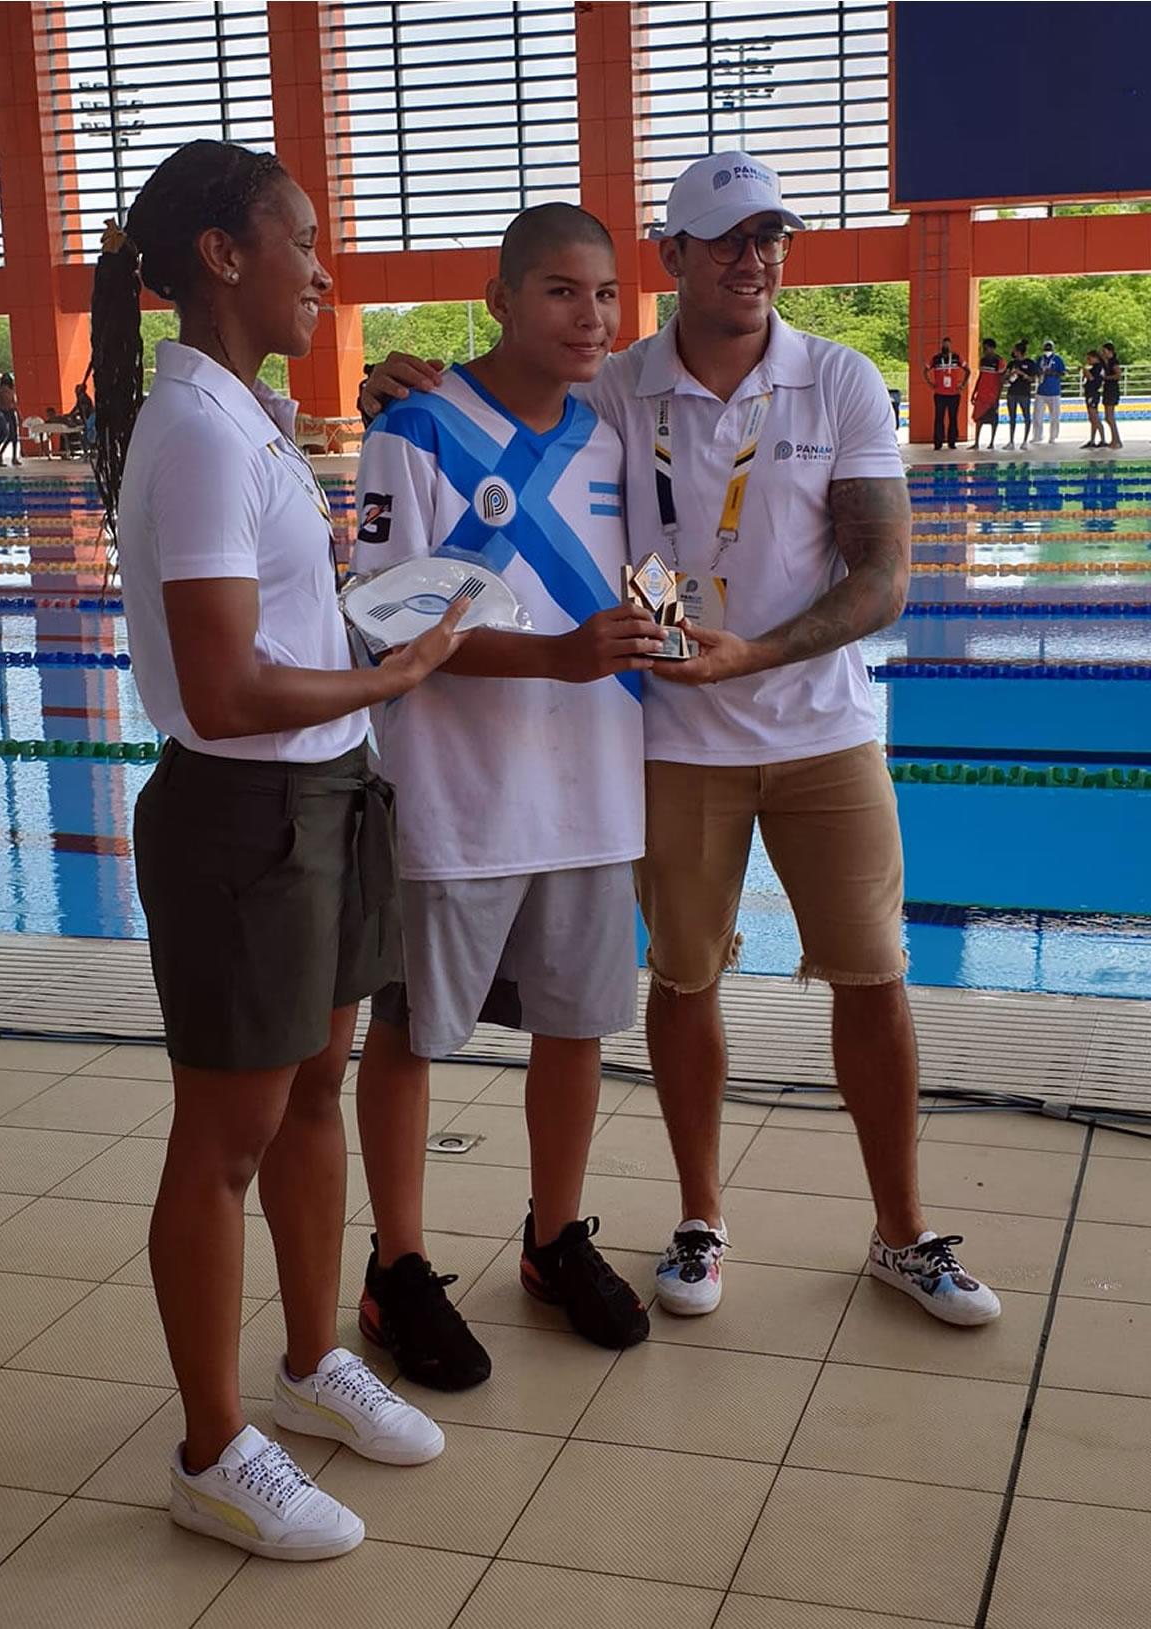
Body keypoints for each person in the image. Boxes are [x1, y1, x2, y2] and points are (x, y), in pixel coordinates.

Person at [362, 151, 1002, 1333]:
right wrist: (408, 394)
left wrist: (753, 657)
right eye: (729, 240)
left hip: (822, 730)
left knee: (873, 976)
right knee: (684, 978)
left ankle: (902, 1234)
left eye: (773, 237)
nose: (756, 260)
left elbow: (885, 578)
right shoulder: (618, 386)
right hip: (669, 742)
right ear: (678, 259)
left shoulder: (841, 380)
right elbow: (509, 422)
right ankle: (700, 1219)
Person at [89, 138, 465, 1561]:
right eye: (302, 239)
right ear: (223, 258)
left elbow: (287, 625)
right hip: (247, 819)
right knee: (224, 1139)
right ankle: (209, 1449)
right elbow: (230, 686)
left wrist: (373, 629)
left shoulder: (240, 415)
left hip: (324, 800)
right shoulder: (191, 435)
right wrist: (392, 675)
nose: (327, 264)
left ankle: (313, 1361)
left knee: (320, 1087)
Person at [352, 203, 657, 1391]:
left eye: (605, 296)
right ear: (502, 300)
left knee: (575, 1027)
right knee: (413, 1033)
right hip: (456, 792)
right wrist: (556, 656)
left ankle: (551, 1240)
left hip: (592, 790)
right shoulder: (417, 433)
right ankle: (400, 1268)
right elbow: (383, 615)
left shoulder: (612, 438)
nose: (591, 319)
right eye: (561, 293)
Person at [923, 337, 968, 450]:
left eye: (947, 345)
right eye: (944, 345)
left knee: (953, 418)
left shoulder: (957, 358)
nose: (946, 347)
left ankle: (952, 442)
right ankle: (938, 442)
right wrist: (930, 383)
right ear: (941, 346)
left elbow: (968, 370)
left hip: (954, 393)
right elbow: (925, 370)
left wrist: (963, 384)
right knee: (939, 418)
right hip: (940, 394)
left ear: (950, 346)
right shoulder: (936, 358)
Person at [970, 337, 1005, 451]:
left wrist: (998, 398)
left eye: (986, 347)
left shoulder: (999, 361)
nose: (984, 350)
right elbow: (980, 377)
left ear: (992, 348)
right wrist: (974, 392)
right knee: (979, 419)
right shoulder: (983, 360)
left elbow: (1001, 380)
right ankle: (976, 443)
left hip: (992, 395)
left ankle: (992, 442)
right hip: (982, 394)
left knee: (993, 419)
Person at [1004, 341, 1038, 450]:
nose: (1013, 352)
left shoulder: (1029, 363)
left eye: (1014, 350)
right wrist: (1010, 374)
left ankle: (1025, 441)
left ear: (1019, 352)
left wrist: (1022, 374)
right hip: (1012, 392)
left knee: (1026, 416)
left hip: (1024, 393)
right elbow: (1005, 378)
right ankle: (1011, 441)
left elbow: (1033, 378)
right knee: (1012, 417)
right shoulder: (1011, 363)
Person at [1031, 339, 1066, 445]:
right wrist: (1039, 372)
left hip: (1054, 392)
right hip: (1041, 391)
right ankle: (1037, 436)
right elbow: (1035, 371)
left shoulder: (1058, 359)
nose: (1047, 349)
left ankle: (1053, 437)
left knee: (1055, 416)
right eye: (1046, 346)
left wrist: (1053, 372)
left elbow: (1063, 372)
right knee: (1037, 416)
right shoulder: (1039, 359)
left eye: (1049, 347)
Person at [1081, 349, 1106, 448]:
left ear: (1095, 358)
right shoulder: (1095, 367)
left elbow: (1092, 378)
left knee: (1094, 417)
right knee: (1092, 418)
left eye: (1089, 358)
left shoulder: (1098, 368)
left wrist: (1085, 370)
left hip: (1093, 393)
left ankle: (1103, 439)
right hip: (1090, 393)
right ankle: (1092, 439)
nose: (1088, 360)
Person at [1100, 342, 1123, 449]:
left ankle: (1116, 440)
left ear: (1110, 352)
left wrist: (1106, 378)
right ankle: (1116, 439)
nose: (1103, 353)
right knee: (1108, 417)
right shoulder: (1106, 362)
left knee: (1110, 417)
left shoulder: (1114, 362)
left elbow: (1118, 375)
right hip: (1108, 389)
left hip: (1112, 390)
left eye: (1104, 351)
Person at [0, 372, 21, 465]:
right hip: (4, 413)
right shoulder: (1, 390)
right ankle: (2, 453)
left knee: (13, 436)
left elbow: (14, 403)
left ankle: (11, 455)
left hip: (9, 412)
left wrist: (19, 415)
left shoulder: (7, 390)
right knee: (9, 434)